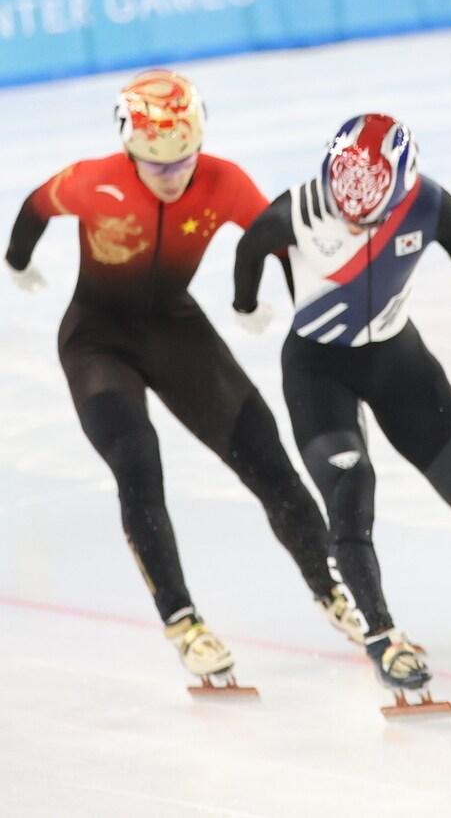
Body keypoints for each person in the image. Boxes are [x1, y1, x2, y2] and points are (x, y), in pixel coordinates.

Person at [4, 70, 363, 687]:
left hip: (176, 332)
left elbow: (279, 245)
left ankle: (331, 589)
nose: (172, 179)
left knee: (265, 455)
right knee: (137, 461)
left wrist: (311, 315)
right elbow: (37, 204)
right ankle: (183, 621)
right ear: (129, 150)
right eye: (155, 165)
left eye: (184, 163)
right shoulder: (94, 180)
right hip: (97, 342)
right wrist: (16, 261)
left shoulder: (222, 180)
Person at [231, 113, 451, 699]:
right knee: (351, 493)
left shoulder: (428, 205)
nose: (351, 216)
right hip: (317, 370)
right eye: (342, 203)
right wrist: (245, 304)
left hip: (399, 363)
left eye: (366, 210)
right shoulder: (294, 211)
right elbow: (249, 248)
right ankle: (382, 636)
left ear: (400, 190)